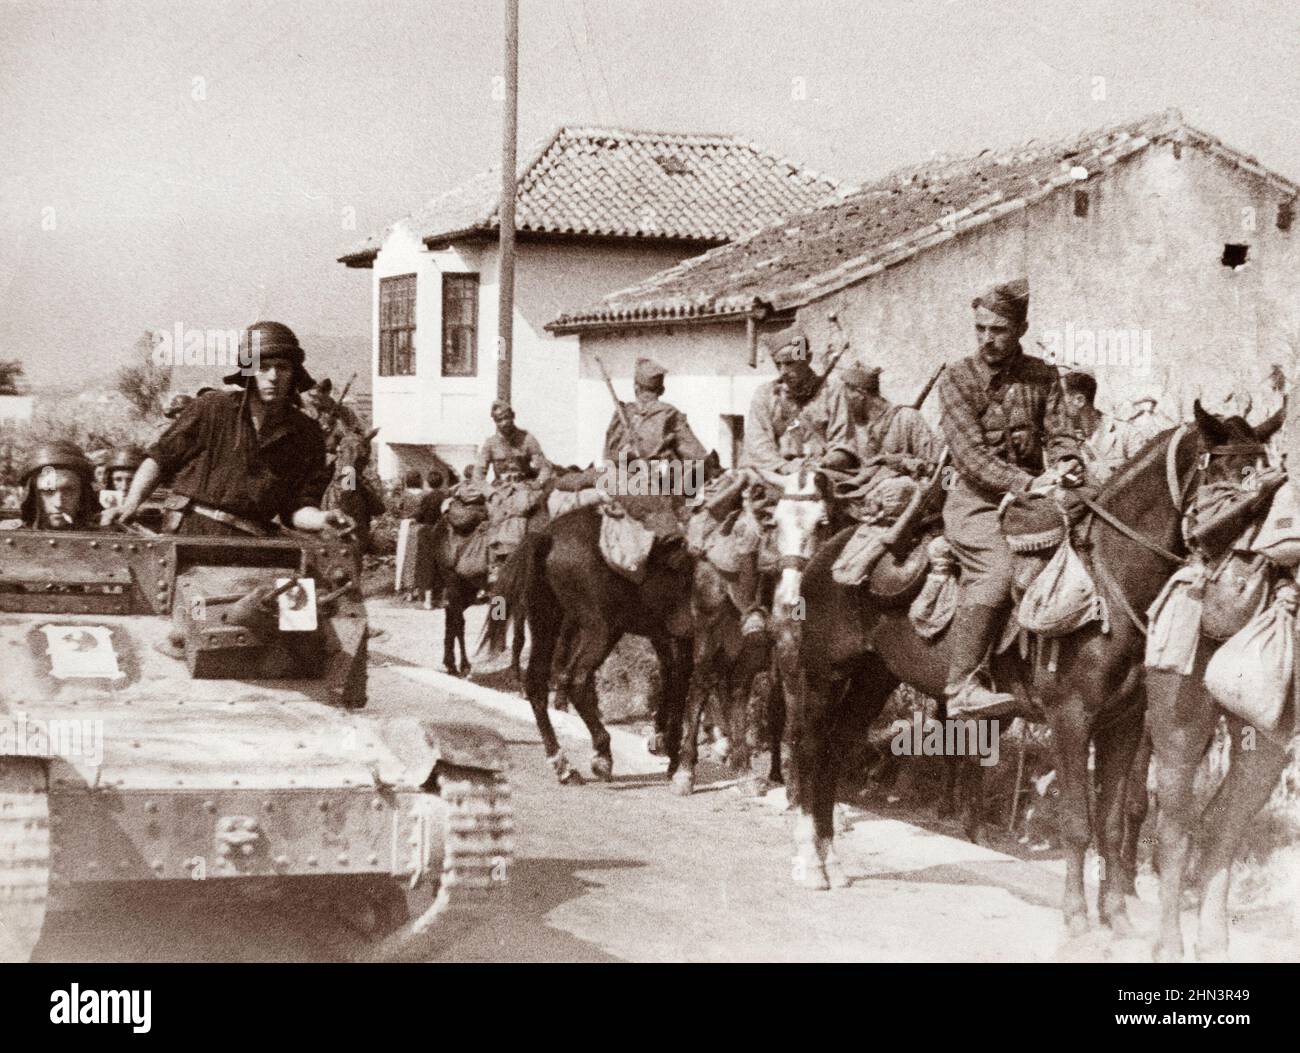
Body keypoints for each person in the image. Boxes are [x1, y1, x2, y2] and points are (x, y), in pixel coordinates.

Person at [936, 278, 1083, 718]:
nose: (987, 339)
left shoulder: (1042, 375)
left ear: (1021, 327)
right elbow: (970, 457)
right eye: (980, 328)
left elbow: (1060, 434)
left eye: (998, 330)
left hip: (1035, 498)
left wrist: (1068, 460)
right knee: (997, 571)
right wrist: (1026, 483)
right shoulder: (957, 378)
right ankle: (961, 685)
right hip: (975, 501)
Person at [102, 321, 351, 537]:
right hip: (187, 532)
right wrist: (130, 504)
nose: (273, 376)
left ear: (294, 373)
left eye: (282, 367)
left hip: (248, 545)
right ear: (249, 372)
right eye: (263, 367)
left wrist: (320, 519)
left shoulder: (306, 435)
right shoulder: (213, 408)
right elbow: (159, 458)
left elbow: (296, 508)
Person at [732, 329, 856, 635]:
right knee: (748, 531)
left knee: (857, 529)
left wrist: (821, 465)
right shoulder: (765, 396)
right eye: (780, 365)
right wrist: (788, 472)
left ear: (808, 359)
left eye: (792, 364)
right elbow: (759, 448)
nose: (786, 372)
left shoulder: (833, 390)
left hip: (822, 480)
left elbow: (845, 444)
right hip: (776, 482)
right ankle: (753, 609)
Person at [842, 362, 940, 514]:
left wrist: (897, 461)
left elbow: (935, 469)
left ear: (861, 394)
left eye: (848, 396)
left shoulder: (907, 418)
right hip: (865, 505)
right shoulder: (860, 428)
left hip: (903, 506)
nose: (846, 403)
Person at [474, 401, 552, 583]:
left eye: (507, 418)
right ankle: (496, 561)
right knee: (496, 515)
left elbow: (544, 467)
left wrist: (538, 483)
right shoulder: (490, 444)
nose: (504, 423)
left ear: (513, 416)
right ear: (494, 421)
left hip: (524, 487)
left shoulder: (527, 439)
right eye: (499, 420)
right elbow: (478, 475)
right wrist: (491, 493)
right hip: (500, 490)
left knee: (529, 509)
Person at [15, 441, 99, 530]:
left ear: (82, 493)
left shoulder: (106, 534)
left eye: (69, 491)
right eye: (48, 492)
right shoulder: (8, 535)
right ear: (31, 494)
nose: (58, 503)